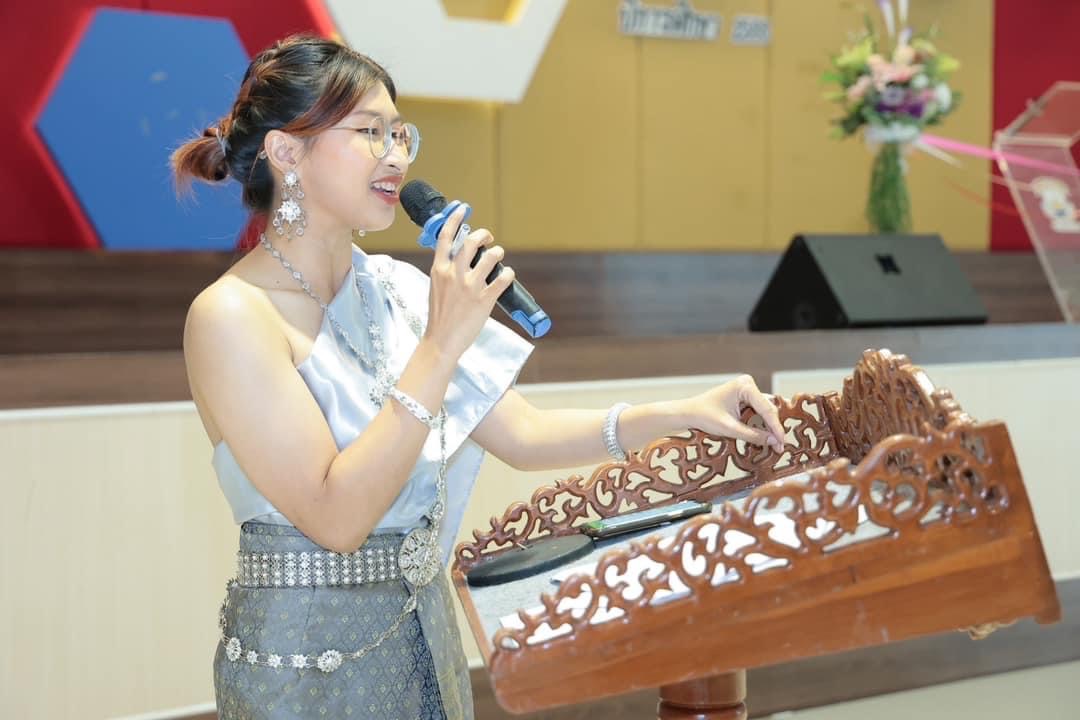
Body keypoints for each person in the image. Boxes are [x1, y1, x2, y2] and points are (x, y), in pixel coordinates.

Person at [171, 34, 785, 720]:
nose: (396, 155)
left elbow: (523, 434)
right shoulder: (232, 316)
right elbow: (336, 518)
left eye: (401, 133)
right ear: (287, 152)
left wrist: (685, 411)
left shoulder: (401, 289)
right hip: (303, 667)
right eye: (370, 132)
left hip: (424, 642)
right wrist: (441, 343)